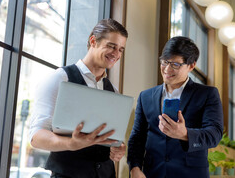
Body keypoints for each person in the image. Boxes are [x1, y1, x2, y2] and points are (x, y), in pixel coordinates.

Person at [29, 19, 128, 178]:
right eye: (111, 46)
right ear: (93, 41)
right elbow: (36, 137)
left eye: (121, 49)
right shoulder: (60, 78)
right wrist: (70, 144)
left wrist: (117, 149)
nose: (116, 54)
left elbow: (111, 138)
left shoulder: (113, 91)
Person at [127, 36, 223, 178]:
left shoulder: (207, 94)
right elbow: (137, 137)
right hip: (152, 173)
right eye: (165, 62)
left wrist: (184, 134)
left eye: (175, 65)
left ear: (191, 65)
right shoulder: (145, 96)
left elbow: (214, 135)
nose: (167, 69)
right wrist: (134, 168)